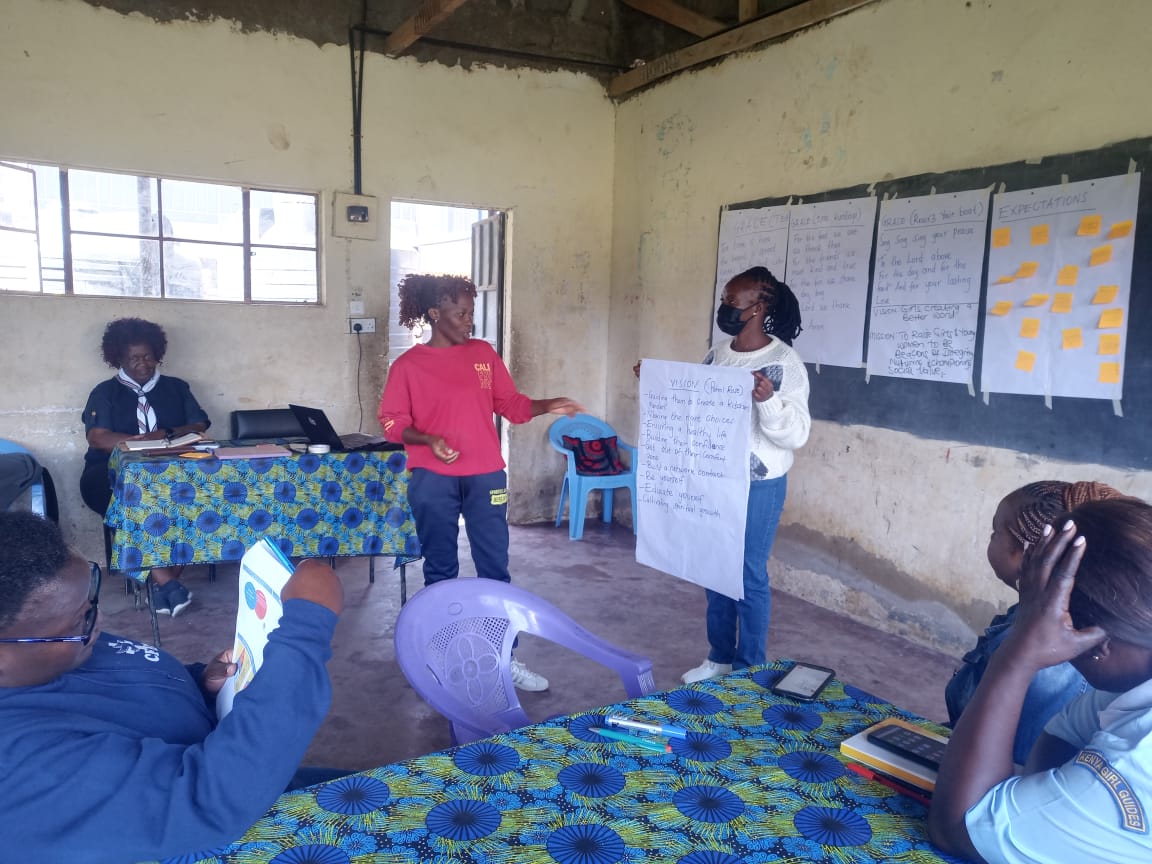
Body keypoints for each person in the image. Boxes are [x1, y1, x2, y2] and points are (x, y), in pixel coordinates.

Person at [0, 511, 344, 862]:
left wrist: (199, 685)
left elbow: (115, 691)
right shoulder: (24, 770)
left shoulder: (51, 649)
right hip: (224, 813)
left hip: (244, 766)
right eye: (81, 619)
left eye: (91, 601)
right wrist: (307, 623)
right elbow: (208, 800)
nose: (98, 620)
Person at [378, 274, 584, 692]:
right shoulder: (408, 366)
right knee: (441, 571)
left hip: (485, 475)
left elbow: (510, 404)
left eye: (470, 312)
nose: (469, 321)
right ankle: (445, 658)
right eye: (461, 313)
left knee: (494, 569)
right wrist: (428, 440)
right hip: (432, 479)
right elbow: (391, 423)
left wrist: (548, 404)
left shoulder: (483, 355)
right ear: (435, 314)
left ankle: (504, 659)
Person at [929, 496, 1152, 863]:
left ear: (1097, 642)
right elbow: (1062, 737)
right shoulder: (1128, 687)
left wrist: (1017, 654)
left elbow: (957, 826)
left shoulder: (1133, 764)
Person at [655, 265, 811, 683]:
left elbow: (797, 434)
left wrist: (768, 401)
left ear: (757, 308)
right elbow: (697, 406)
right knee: (715, 567)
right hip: (716, 478)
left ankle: (748, 668)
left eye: (731, 301)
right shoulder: (718, 354)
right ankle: (719, 658)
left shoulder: (784, 362)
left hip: (759, 485)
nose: (723, 307)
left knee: (748, 573)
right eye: (724, 299)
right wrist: (660, 383)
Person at [945, 480, 1125, 765]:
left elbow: (1010, 767)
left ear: (1031, 552)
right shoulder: (1035, 616)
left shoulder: (1045, 661)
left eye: (996, 532)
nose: (991, 538)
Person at [81, 317, 210, 616]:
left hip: (171, 470)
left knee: (194, 500)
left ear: (158, 354)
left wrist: (164, 434)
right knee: (132, 501)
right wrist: (138, 441)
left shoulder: (177, 387)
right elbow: (98, 437)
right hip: (108, 474)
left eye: (148, 356)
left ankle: (163, 585)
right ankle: (166, 582)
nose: (143, 363)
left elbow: (199, 423)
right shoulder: (104, 392)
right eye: (134, 358)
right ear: (119, 359)